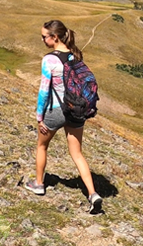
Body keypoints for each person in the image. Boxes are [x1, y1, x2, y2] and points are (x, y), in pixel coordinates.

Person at [25, 19, 103, 213]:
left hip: (55, 110)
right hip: (76, 110)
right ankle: (93, 194)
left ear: (55, 37)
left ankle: (38, 184)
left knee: (42, 145)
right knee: (77, 153)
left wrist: (39, 117)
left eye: (44, 37)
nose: (42, 40)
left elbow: (44, 91)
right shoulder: (75, 55)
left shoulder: (49, 60)